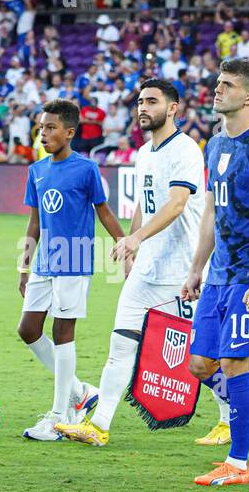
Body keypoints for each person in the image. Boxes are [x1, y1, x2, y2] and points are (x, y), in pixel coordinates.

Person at [56, 79, 205, 446]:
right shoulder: (144, 152)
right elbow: (146, 202)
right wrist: (132, 246)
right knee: (121, 344)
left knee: (202, 355)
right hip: (148, 269)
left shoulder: (185, 149)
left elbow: (176, 203)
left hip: (183, 271)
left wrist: (136, 237)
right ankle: (100, 424)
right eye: (140, 101)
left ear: (172, 108)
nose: (143, 108)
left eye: (152, 101)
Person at [182, 58, 249, 488]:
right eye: (217, 83)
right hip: (217, 274)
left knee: (233, 362)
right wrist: (197, 268)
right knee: (200, 365)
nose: (216, 90)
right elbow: (210, 211)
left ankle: (236, 464)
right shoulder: (214, 145)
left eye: (226, 85)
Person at [16, 99, 126, 440]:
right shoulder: (37, 170)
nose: (43, 133)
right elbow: (34, 222)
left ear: (69, 132)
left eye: (50, 128)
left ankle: (59, 416)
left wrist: (125, 244)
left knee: (64, 334)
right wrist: (24, 265)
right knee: (28, 330)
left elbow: (104, 212)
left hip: (74, 262)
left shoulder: (86, 169)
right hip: (45, 264)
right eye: (41, 127)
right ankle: (82, 393)